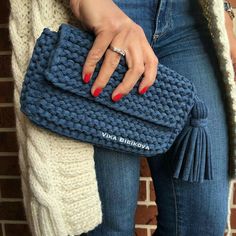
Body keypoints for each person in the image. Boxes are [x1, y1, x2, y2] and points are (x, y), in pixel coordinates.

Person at [70, 0, 236, 235]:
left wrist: (224, 8)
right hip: (103, 16)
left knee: (201, 223)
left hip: (189, 17)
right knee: (107, 226)